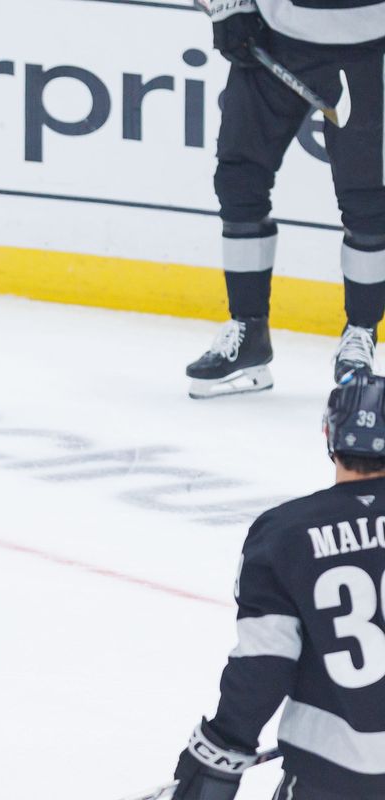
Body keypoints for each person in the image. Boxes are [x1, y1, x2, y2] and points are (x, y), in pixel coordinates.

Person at [170, 372, 385, 798]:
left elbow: (265, 663)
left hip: (333, 774)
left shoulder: (284, 533)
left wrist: (222, 747)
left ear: (329, 432)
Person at [185, 0, 385, 399]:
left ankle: (361, 335)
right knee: (238, 181)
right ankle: (249, 334)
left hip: (368, 45)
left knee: (366, 201)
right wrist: (227, 7)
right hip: (271, 35)